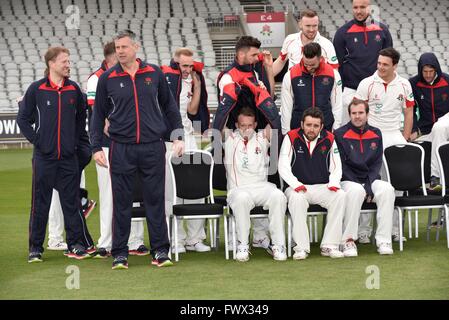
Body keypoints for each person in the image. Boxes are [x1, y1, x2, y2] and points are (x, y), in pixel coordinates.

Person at [90, 30, 184, 269]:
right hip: (120, 148)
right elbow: (97, 115)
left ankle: (161, 251)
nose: (120, 51)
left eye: (124, 47)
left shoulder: (154, 73)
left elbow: (169, 106)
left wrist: (178, 136)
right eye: (117, 47)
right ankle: (120, 253)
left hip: (153, 146)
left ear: (136, 47)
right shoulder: (108, 78)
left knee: (155, 200)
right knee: (120, 201)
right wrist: (96, 147)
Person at [17, 46, 93, 262]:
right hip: (44, 158)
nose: (68, 65)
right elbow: (22, 119)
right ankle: (35, 248)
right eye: (64, 61)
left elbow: (81, 117)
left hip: (68, 158)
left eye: (69, 61)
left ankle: (76, 245)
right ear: (51, 64)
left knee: (72, 202)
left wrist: (74, 142)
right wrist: (37, 141)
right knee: (41, 203)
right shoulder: (36, 89)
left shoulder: (73, 89)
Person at [213, 36, 281, 249]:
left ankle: (261, 237)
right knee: (241, 187)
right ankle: (237, 237)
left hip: (260, 133)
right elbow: (222, 115)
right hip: (235, 132)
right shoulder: (227, 77)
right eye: (253, 54)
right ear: (241, 54)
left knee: (265, 183)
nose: (257, 57)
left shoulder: (255, 70)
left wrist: (268, 71)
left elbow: (268, 97)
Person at [87, 41, 149, 258]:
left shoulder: (132, 74)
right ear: (109, 59)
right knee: (109, 195)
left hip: (130, 144)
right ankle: (106, 241)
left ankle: (136, 240)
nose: (122, 63)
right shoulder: (97, 78)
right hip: (107, 144)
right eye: (118, 58)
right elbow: (97, 111)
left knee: (135, 191)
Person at [355, 47, 415, 243]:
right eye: (379, 63)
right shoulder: (367, 83)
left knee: (396, 185)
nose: (380, 67)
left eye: (385, 64)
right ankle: (364, 230)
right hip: (371, 136)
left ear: (395, 66)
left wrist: (405, 138)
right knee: (367, 182)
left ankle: (394, 229)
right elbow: (358, 112)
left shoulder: (404, 84)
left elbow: (408, 113)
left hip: (394, 135)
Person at [161, 47, 211, 253]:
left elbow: (192, 111)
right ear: (175, 63)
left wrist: (198, 87)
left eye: (191, 65)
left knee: (195, 186)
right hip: (168, 139)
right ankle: (175, 238)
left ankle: (194, 238)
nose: (188, 69)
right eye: (184, 65)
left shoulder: (193, 79)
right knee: (171, 190)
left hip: (189, 137)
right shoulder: (165, 79)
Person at [278, 107, 345, 260]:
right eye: (308, 125)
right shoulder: (291, 137)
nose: (311, 129)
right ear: (302, 124)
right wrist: (296, 185)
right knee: (297, 199)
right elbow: (283, 166)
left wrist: (334, 183)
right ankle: (301, 248)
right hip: (297, 187)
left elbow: (336, 166)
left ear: (321, 126)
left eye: (315, 126)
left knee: (339, 195)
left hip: (321, 186)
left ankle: (330, 245)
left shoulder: (330, 138)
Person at [223, 107, 287, 262]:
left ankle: (278, 245)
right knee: (242, 198)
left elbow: (275, 121)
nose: (246, 129)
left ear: (255, 124)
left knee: (278, 195)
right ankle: (242, 244)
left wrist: (263, 96)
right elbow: (218, 123)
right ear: (237, 126)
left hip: (262, 188)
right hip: (238, 190)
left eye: (250, 125)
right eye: (243, 125)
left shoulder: (262, 137)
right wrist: (227, 97)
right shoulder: (231, 138)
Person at [334, 99, 395, 256]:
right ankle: (348, 241)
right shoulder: (339, 134)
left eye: (361, 113)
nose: (357, 116)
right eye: (354, 113)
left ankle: (383, 240)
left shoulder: (376, 133)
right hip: (348, 180)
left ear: (367, 114)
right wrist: (361, 187)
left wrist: (368, 186)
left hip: (370, 179)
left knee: (387, 189)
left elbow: (376, 163)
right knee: (356, 191)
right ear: (349, 115)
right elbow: (342, 166)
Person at [333, 0, 393, 125]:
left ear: (369, 8)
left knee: (377, 129)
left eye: (362, 7)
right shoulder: (342, 33)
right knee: (347, 130)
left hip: (376, 90)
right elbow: (338, 65)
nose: (358, 11)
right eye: (355, 7)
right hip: (351, 91)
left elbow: (389, 61)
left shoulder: (383, 30)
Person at [280, 42, 342, 134]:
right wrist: (286, 132)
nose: (308, 67)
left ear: (321, 59)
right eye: (306, 64)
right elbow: (286, 107)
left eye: (312, 65)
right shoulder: (291, 75)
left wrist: (336, 129)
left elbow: (337, 105)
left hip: (325, 127)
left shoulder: (333, 74)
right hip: (299, 127)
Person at [409, 52, 449, 191]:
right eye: (425, 71)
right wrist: (414, 130)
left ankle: (435, 177)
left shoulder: (447, 80)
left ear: (436, 69)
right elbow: (411, 110)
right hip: (426, 128)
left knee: (439, 128)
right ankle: (410, 187)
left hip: (446, 122)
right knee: (409, 145)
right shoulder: (413, 83)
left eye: (431, 71)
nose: (428, 75)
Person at [272, 8, 339, 77]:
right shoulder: (289, 40)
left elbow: (334, 72)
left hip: (317, 86)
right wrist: (266, 80)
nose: (311, 29)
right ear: (300, 24)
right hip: (293, 86)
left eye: (314, 26)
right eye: (308, 26)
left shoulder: (327, 45)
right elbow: (280, 61)